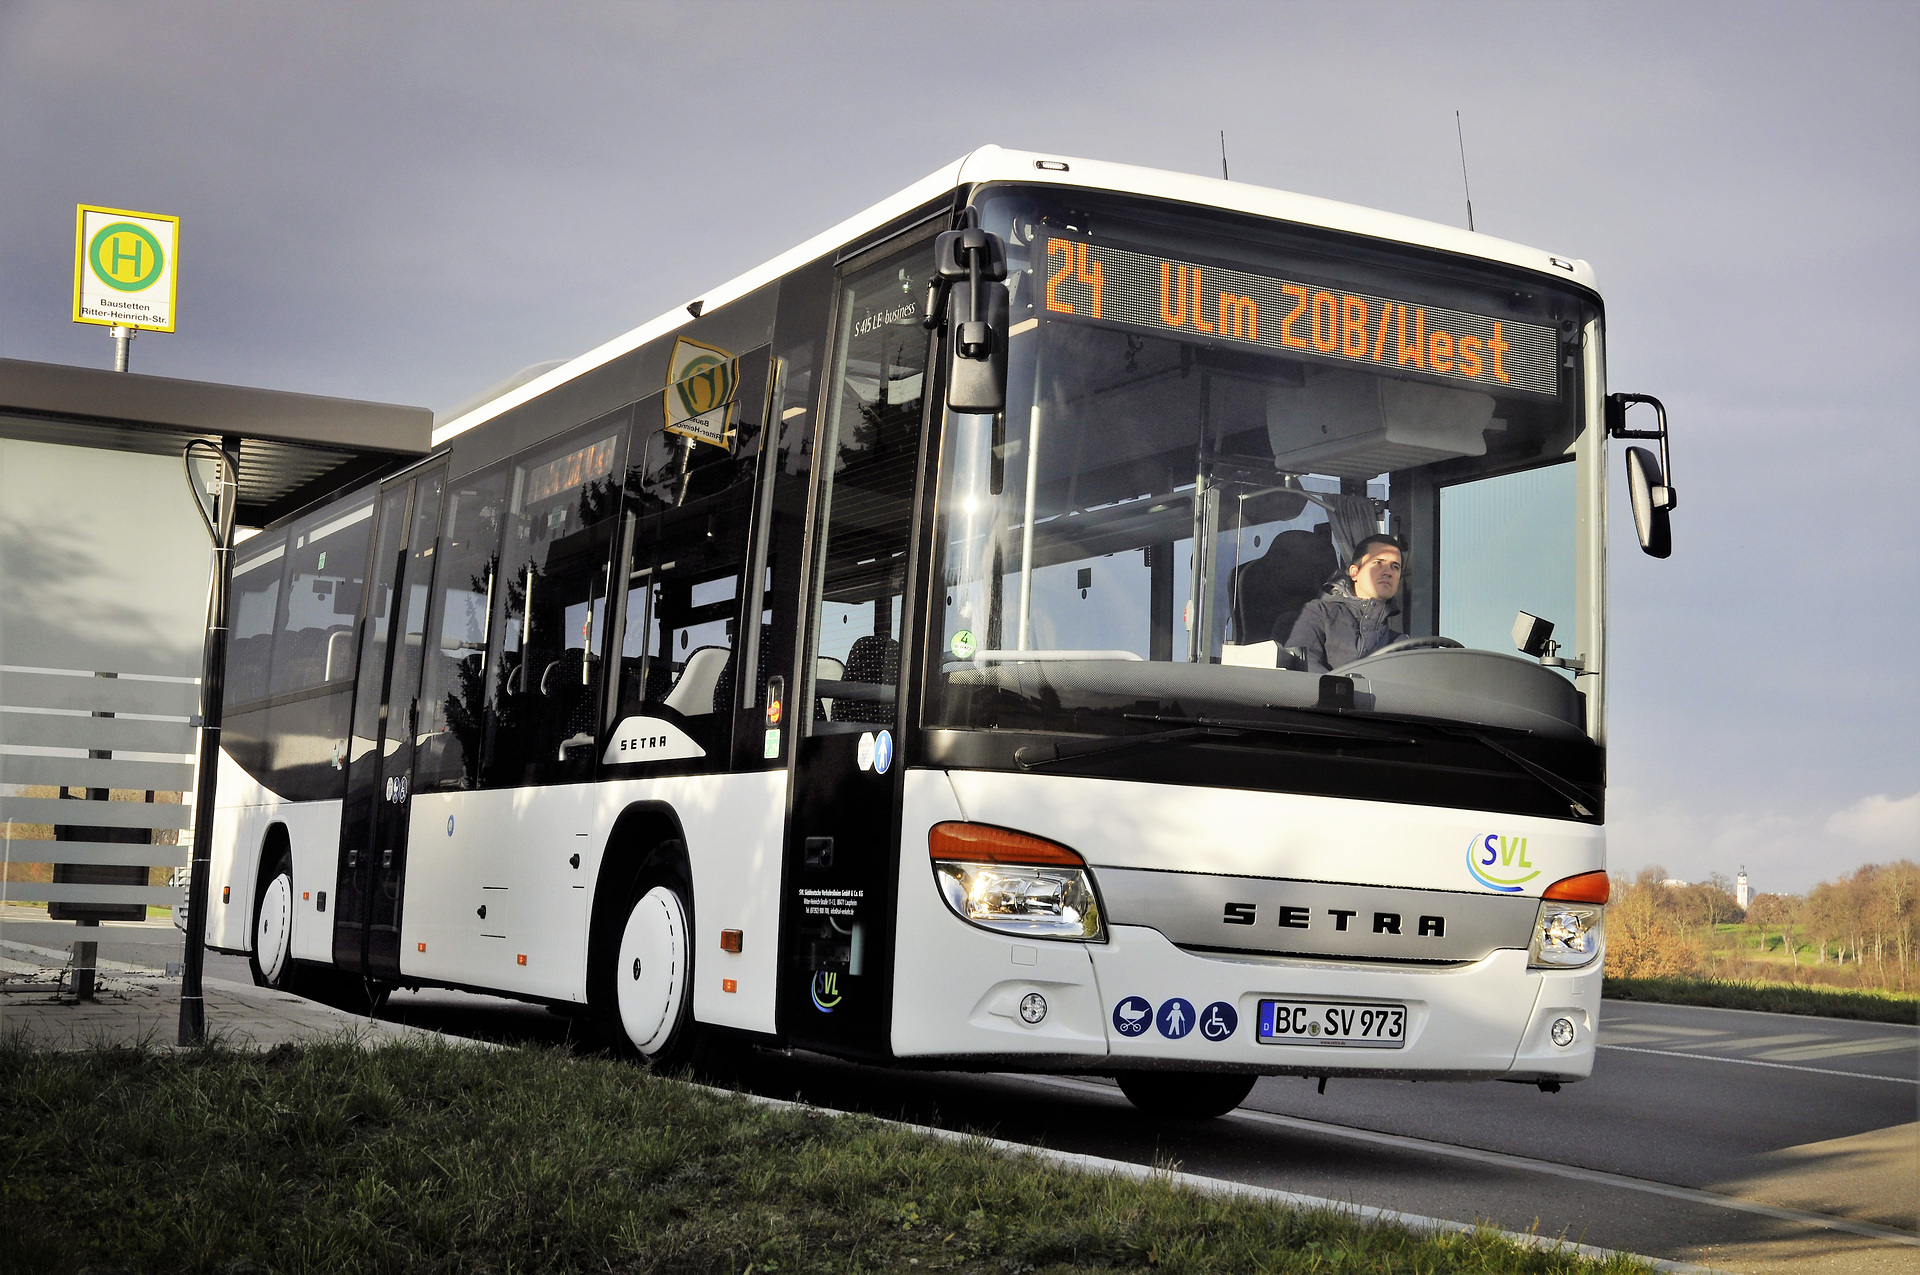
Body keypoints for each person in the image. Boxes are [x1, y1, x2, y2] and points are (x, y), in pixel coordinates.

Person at [1280, 534, 1406, 672]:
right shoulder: (1318, 613)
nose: (1388, 572)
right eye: (1378, 562)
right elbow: (1302, 665)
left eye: (1395, 567)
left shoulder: (1399, 643)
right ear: (1354, 572)